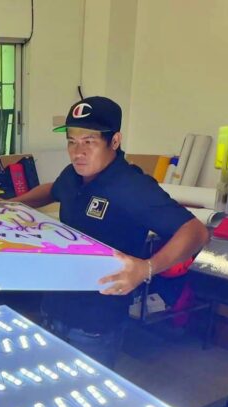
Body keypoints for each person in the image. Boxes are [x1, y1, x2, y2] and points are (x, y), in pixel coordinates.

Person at [14, 96, 209, 368]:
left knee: (86, 390)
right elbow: (53, 189)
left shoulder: (132, 187)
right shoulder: (74, 175)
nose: (78, 152)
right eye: (72, 141)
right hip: (53, 307)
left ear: (114, 141)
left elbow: (196, 231)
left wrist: (146, 268)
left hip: (94, 324)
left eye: (89, 141)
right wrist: (13, 204)